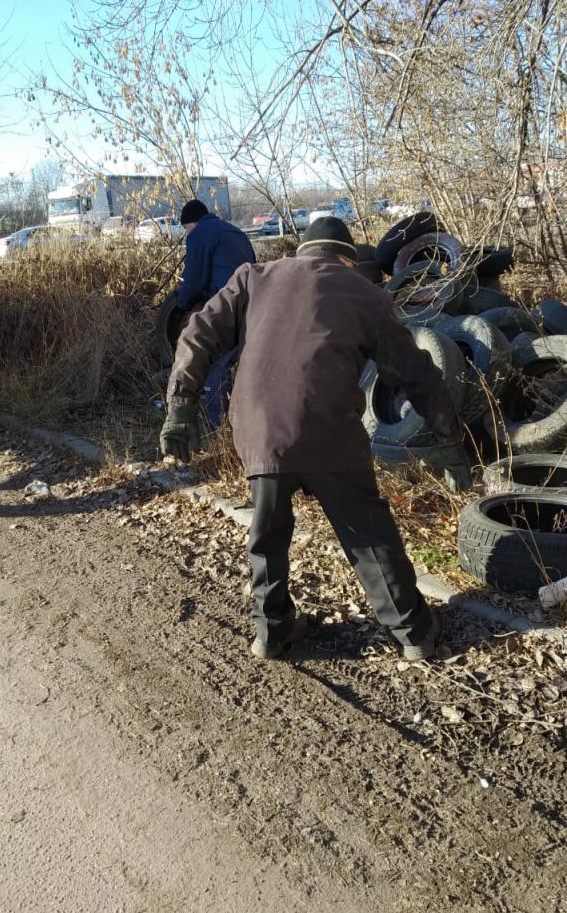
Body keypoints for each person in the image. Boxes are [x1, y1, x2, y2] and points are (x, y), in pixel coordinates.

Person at [160, 216, 463, 662]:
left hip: (260, 427)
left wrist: (180, 406)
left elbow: (197, 332)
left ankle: (273, 630)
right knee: (367, 533)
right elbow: (412, 370)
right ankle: (413, 632)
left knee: (267, 533)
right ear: (346, 258)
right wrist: (446, 428)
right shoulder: (365, 293)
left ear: (304, 251)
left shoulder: (253, 278)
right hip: (329, 428)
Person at [176, 199, 256, 426]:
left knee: (217, 364)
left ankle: (218, 425)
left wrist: (182, 305)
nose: (186, 233)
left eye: (185, 229)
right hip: (253, 302)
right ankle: (244, 418)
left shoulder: (199, 233)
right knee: (243, 363)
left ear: (191, 222)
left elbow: (193, 279)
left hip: (225, 305)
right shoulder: (235, 231)